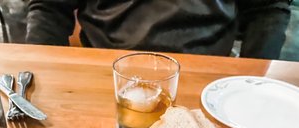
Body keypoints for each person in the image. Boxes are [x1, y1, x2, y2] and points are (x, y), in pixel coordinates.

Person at [25, 0, 292, 60]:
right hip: (106, 67)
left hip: (208, 69)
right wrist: (42, 77)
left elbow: (266, 7)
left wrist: (250, 84)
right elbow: (49, 5)